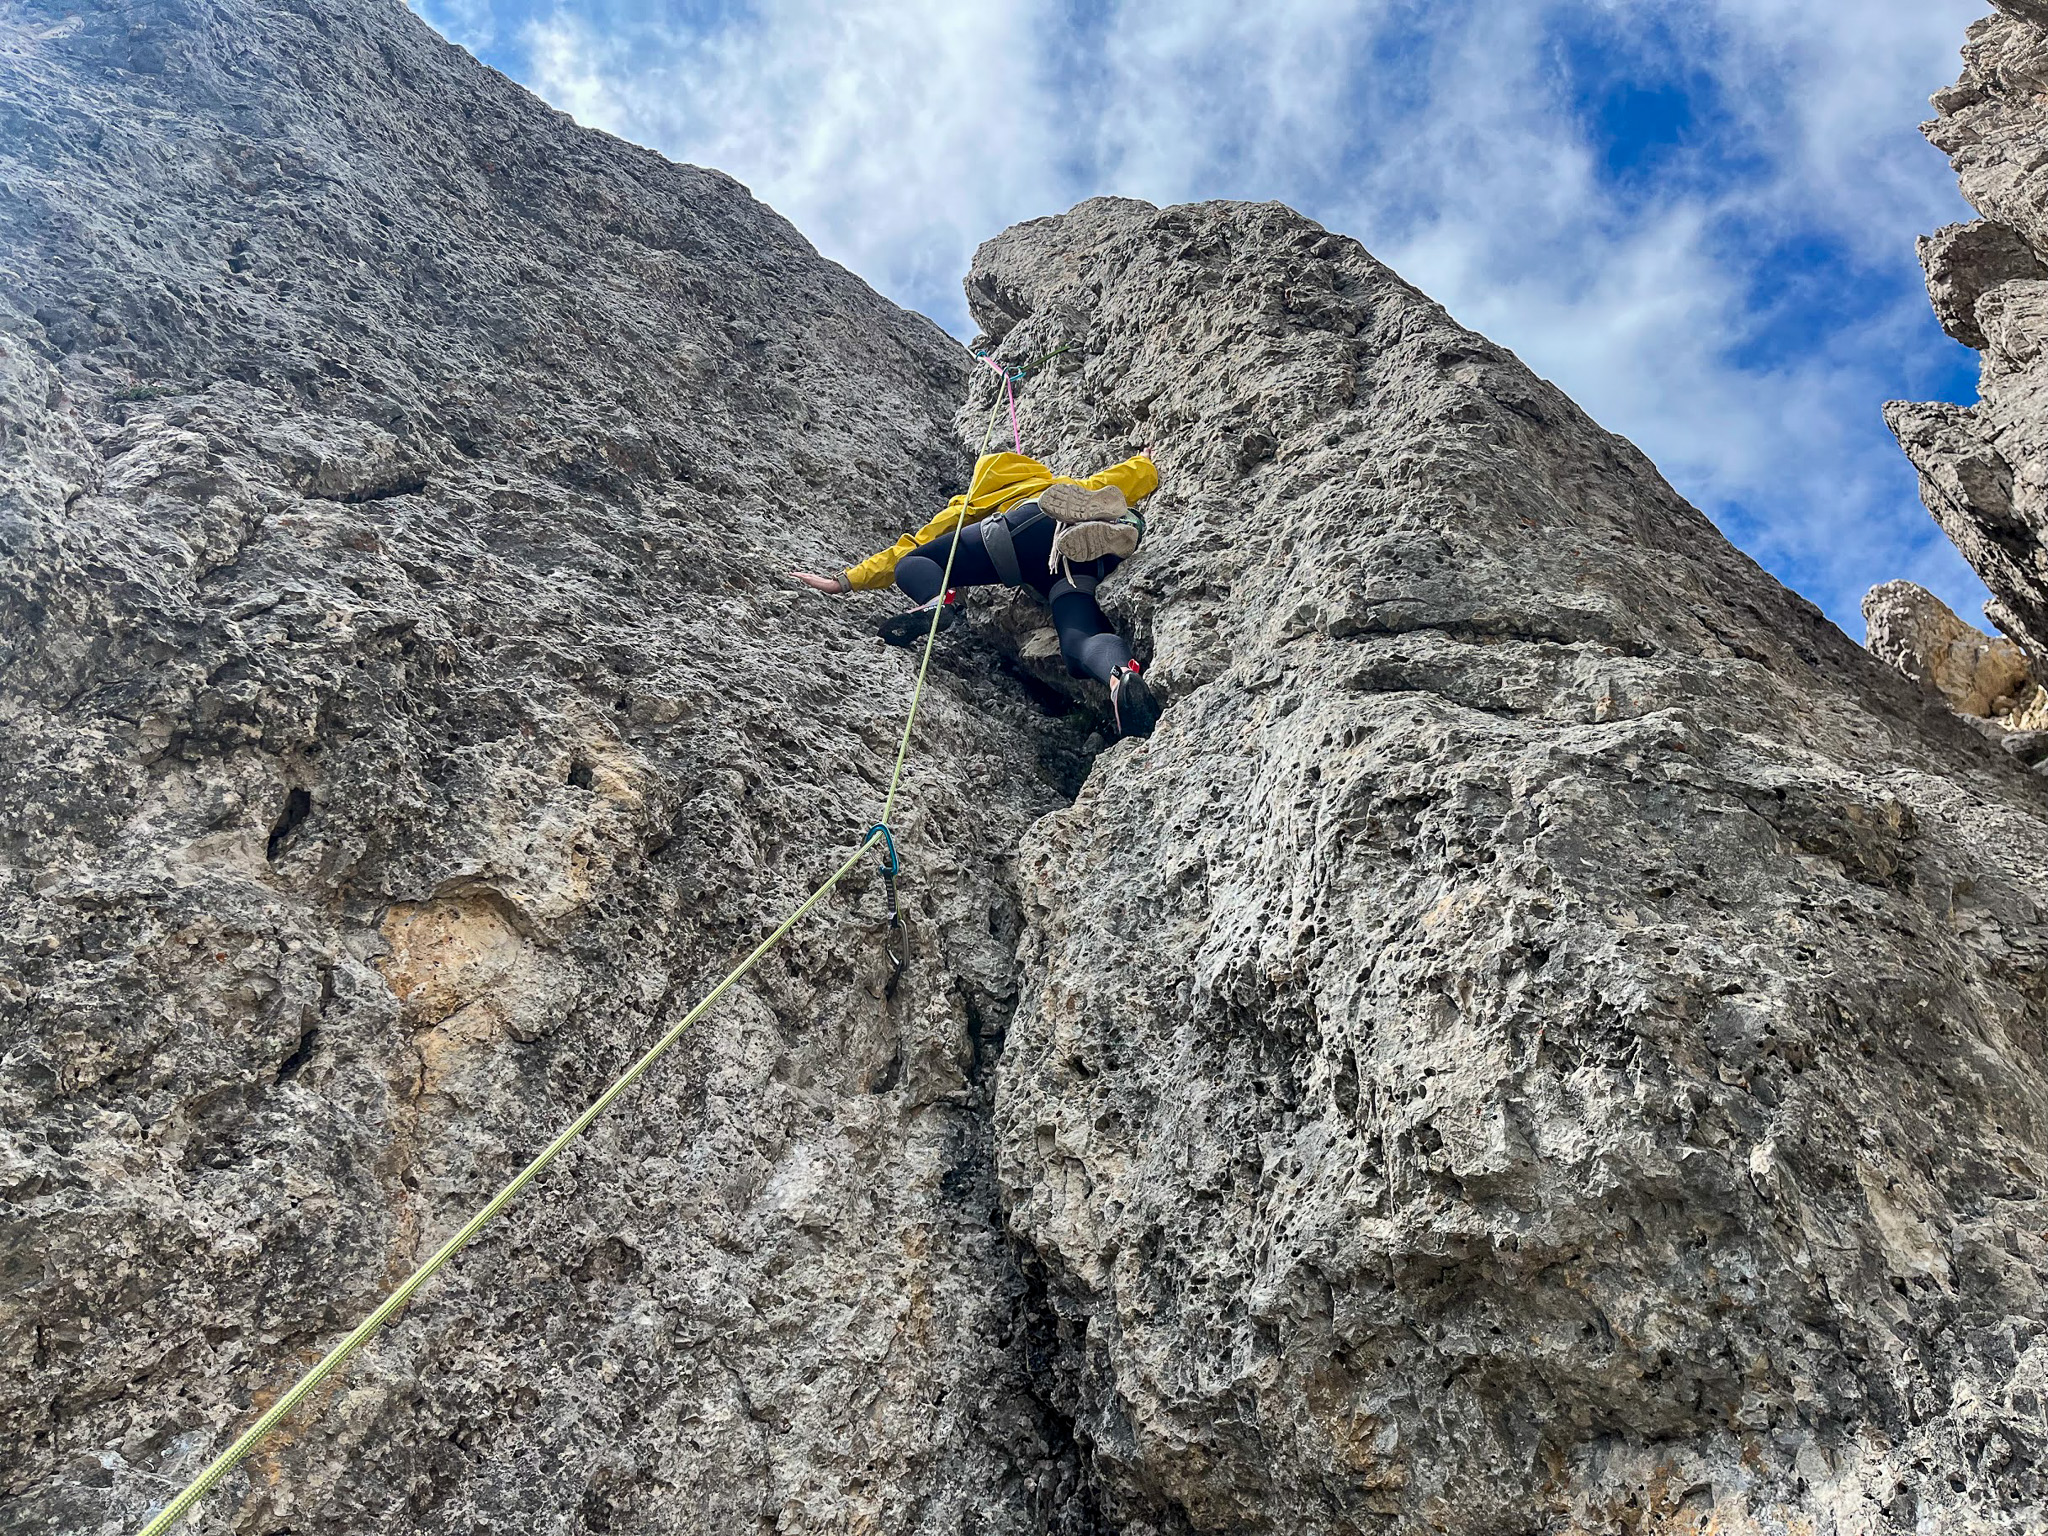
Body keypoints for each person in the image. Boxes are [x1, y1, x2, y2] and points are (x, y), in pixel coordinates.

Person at [791, 449, 1163, 737]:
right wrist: (1145, 462)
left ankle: (937, 601)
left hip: (1016, 534)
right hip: (1073, 554)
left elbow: (908, 550)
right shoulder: (1056, 482)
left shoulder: (971, 501)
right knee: (1079, 638)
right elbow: (1125, 477)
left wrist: (845, 581)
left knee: (916, 562)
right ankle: (1119, 679)